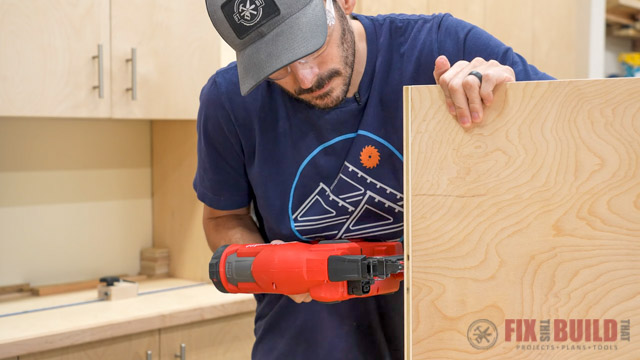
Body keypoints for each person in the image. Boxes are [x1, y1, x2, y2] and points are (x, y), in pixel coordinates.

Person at [194, 0, 553, 359]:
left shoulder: (439, 46)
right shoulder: (228, 102)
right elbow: (224, 218)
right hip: (301, 348)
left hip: (445, 342)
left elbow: (584, 127)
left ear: (344, 4)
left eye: (311, 46)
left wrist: (509, 98)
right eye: (277, 67)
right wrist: (269, 265)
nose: (305, 78)